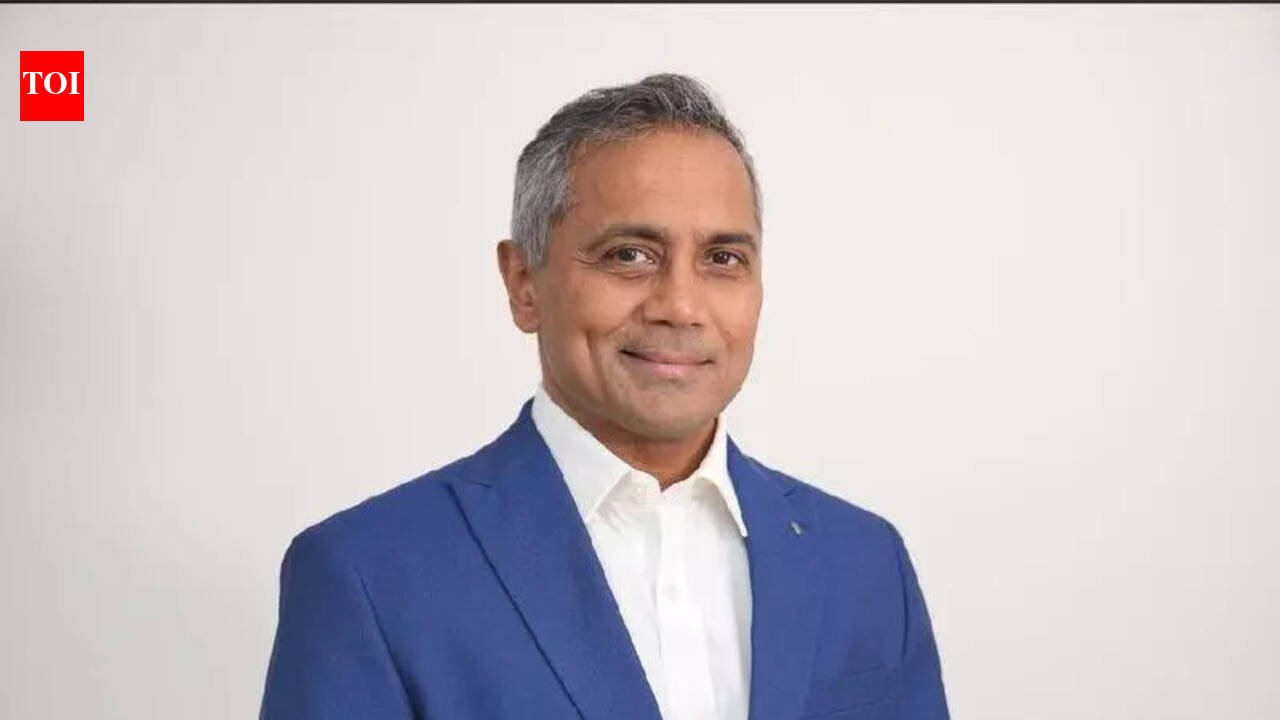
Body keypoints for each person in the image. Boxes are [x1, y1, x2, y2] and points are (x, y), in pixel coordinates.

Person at [259, 73, 950, 720]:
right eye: (629, 255)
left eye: (722, 259)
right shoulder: (369, 573)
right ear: (523, 283)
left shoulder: (864, 560)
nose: (681, 306)